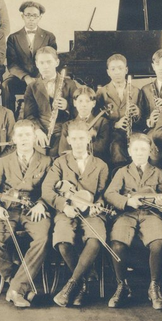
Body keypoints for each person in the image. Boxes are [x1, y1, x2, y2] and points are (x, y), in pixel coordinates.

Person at [0, 120, 53, 308]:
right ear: (14, 138)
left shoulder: (46, 161)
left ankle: (15, 288)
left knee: (42, 239)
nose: (24, 139)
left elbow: (51, 190)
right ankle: (18, 283)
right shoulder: (5, 162)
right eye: (20, 135)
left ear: (34, 138)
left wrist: (42, 204)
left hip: (34, 210)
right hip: (9, 210)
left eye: (28, 135)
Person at [42, 119, 111, 308]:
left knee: (95, 239)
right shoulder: (60, 163)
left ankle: (72, 285)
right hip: (67, 212)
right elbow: (47, 190)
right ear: (69, 140)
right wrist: (64, 206)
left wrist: (98, 204)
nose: (79, 142)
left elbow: (104, 194)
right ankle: (82, 285)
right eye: (75, 139)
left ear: (89, 139)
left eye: (82, 138)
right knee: (63, 241)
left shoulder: (101, 165)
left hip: (91, 213)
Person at [103, 134, 162, 310]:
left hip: (150, 215)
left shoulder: (159, 172)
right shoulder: (122, 172)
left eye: (144, 150)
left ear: (150, 152)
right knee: (117, 243)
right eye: (136, 149)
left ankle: (154, 286)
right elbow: (110, 194)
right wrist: (127, 202)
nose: (140, 153)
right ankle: (122, 286)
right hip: (127, 214)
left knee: (158, 242)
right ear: (130, 152)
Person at [22, 46, 77, 158]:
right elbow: (29, 115)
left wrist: (67, 106)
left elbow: (78, 112)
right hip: (41, 129)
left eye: (49, 62)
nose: (45, 66)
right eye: (41, 63)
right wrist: (37, 130)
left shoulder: (70, 84)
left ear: (57, 62)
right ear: (37, 64)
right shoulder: (32, 87)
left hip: (62, 130)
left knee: (57, 156)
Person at [3, 1, 57, 113]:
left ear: (40, 17)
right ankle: (10, 118)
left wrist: (40, 77)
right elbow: (12, 64)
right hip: (21, 78)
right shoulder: (13, 38)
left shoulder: (49, 36)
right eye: (28, 15)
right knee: (6, 85)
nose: (31, 19)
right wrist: (26, 77)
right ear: (22, 16)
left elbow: (51, 61)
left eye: (35, 16)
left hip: (42, 76)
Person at [96, 54, 148, 167]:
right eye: (113, 69)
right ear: (108, 72)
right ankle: (120, 176)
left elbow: (143, 120)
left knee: (140, 146)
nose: (117, 72)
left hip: (134, 131)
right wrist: (116, 124)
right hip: (112, 133)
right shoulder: (102, 92)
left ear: (126, 70)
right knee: (117, 147)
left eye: (120, 68)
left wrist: (137, 113)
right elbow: (98, 120)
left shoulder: (136, 91)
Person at [58, 86, 110, 161]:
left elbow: (101, 148)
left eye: (87, 101)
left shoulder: (102, 122)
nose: (84, 105)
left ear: (94, 103)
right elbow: (62, 151)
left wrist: (74, 151)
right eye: (80, 101)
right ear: (75, 103)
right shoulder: (67, 125)